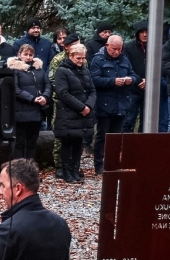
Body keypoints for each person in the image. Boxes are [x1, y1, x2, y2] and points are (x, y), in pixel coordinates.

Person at [88, 35, 135, 174]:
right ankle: (99, 165)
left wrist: (130, 80)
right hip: (104, 104)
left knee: (116, 137)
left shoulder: (124, 59)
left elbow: (134, 75)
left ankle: (113, 163)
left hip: (121, 103)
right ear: (107, 46)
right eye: (114, 49)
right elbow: (94, 80)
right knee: (102, 136)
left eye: (119, 49)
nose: (117, 52)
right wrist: (112, 81)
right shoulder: (98, 60)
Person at [52, 43, 96, 183]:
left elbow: (92, 90)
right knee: (67, 143)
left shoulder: (85, 71)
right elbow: (63, 93)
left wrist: (88, 105)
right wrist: (81, 107)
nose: (81, 61)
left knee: (79, 142)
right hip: (68, 113)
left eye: (83, 58)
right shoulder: (62, 71)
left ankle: (75, 170)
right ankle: (66, 171)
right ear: (70, 56)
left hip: (84, 113)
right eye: (78, 58)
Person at [8, 45, 50, 162]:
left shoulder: (39, 70)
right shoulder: (15, 70)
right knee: (19, 142)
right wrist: (32, 98)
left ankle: (30, 167)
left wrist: (45, 96)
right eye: (25, 54)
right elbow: (15, 89)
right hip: (21, 111)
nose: (28, 57)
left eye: (30, 55)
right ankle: (18, 167)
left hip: (37, 112)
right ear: (19, 55)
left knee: (32, 142)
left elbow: (47, 85)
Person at [121, 22, 150, 132]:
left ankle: (143, 143)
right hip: (132, 89)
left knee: (146, 122)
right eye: (142, 32)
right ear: (137, 34)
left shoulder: (156, 47)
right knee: (128, 120)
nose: (144, 35)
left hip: (149, 91)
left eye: (147, 32)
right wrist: (139, 81)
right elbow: (126, 67)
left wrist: (148, 81)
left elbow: (160, 66)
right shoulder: (129, 48)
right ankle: (126, 142)